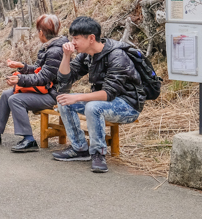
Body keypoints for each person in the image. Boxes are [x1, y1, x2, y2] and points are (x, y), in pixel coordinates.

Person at [52, 16, 143, 173]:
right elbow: (65, 79)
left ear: (91, 38)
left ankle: (98, 153)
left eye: (76, 38)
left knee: (93, 107)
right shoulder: (87, 55)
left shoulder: (117, 56)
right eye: (72, 38)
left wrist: (77, 97)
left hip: (127, 106)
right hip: (103, 102)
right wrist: (66, 56)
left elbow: (108, 94)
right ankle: (80, 148)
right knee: (64, 100)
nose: (73, 42)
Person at [0, 14, 67, 152]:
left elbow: (43, 77)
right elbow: (38, 70)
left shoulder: (55, 51)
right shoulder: (48, 46)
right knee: (7, 94)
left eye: (38, 31)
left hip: (54, 94)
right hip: (44, 90)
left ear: (41, 33)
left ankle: (29, 139)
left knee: (16, 99)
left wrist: (20, 79)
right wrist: (22, 66)